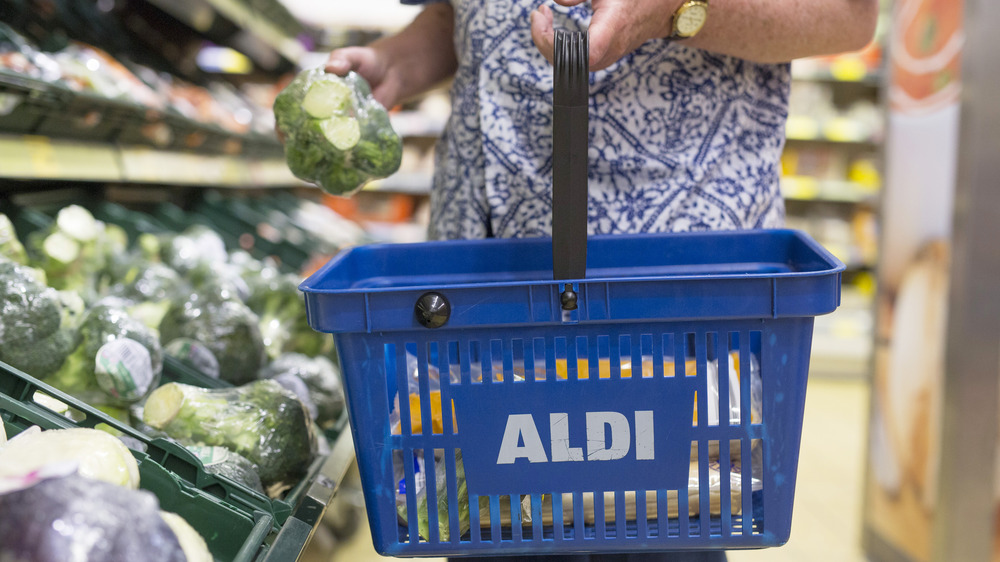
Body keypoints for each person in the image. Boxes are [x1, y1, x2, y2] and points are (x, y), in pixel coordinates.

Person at [324, 1, 877, 560]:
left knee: (666, 517)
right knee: (479, 515)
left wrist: (678, 11)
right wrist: (395, 62)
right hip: (479, 277)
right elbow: (459, 16)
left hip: (676, 274)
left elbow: (850, 14)